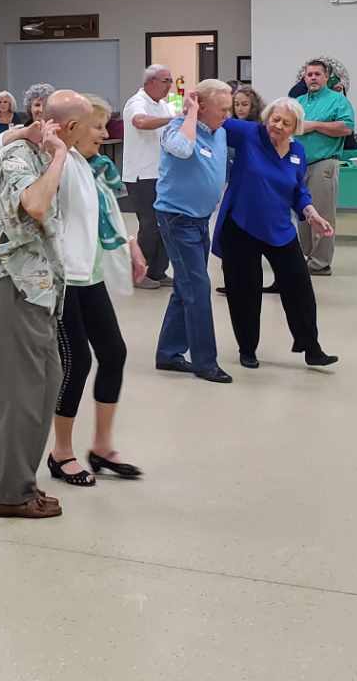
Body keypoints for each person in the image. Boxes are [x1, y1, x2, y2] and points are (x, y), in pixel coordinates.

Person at [44, 94, 146, 489]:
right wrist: (48, 138)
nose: (105, 135)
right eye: (98, 127)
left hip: (91, 274)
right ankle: (61, 452)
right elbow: (6, 143)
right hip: (65, 279)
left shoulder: (89, 167)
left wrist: (130, 244)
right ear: (72, 128)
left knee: (114, 353)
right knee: (77, 363)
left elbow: (105, 214)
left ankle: (102, 446)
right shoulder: (59, 160)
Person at [0, 112, 73, 519]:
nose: (104, 134)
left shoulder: (27, 148)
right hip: (17, 284)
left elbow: (3, 141)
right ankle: (9, 493)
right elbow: (35, 204)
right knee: (23, 393)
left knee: (45, 384)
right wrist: (58, 158)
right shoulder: (23, 156)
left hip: (38, 289)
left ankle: (22, 482)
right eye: (94, 125)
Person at [217, 96, 338, 367]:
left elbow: (299, 191)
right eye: (275, 119)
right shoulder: (250, 134)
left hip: (280, 229)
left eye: (286, 122)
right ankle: (247, 349)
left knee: (300, 288)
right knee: (244, 291)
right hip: (242, 226)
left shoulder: (298, 152)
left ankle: (311, 348)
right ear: (267, 117)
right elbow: (218, 120)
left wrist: (312, 213)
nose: (279, 125)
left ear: (296, 127)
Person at [154, 79, 232, 383]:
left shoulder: (220, 132)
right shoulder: (176, 128)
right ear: (200, 103)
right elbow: (183, 150)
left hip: (200, 219)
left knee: (185, 287)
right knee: (198, 289)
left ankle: (169, 353)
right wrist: (189, 113)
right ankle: (205, 362)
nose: (227, 115)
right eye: (222, 109)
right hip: (177, 219)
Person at [295, 59, 355, 276]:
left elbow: (346, 128)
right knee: (302, 212)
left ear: (326, 77)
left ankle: (320, 262)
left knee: (321, 212)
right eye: (309, 74)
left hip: (323, 163)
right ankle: (306, 255)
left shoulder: (337, 100)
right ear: (304, 78)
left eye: (317, 74)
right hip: (298, 165)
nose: (312, 78)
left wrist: (315, 126)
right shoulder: (298, 102)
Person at [121, 65, 175, 291]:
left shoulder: (162, 105)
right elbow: (140, 122)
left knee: (165, 224)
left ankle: (157, 270)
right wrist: (170, 120)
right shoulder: (137, 102)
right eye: (166, 80)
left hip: (161, 173)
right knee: (150, 224)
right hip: (141, 175)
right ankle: (139, 273)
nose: (170, 85)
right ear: (151, 82)